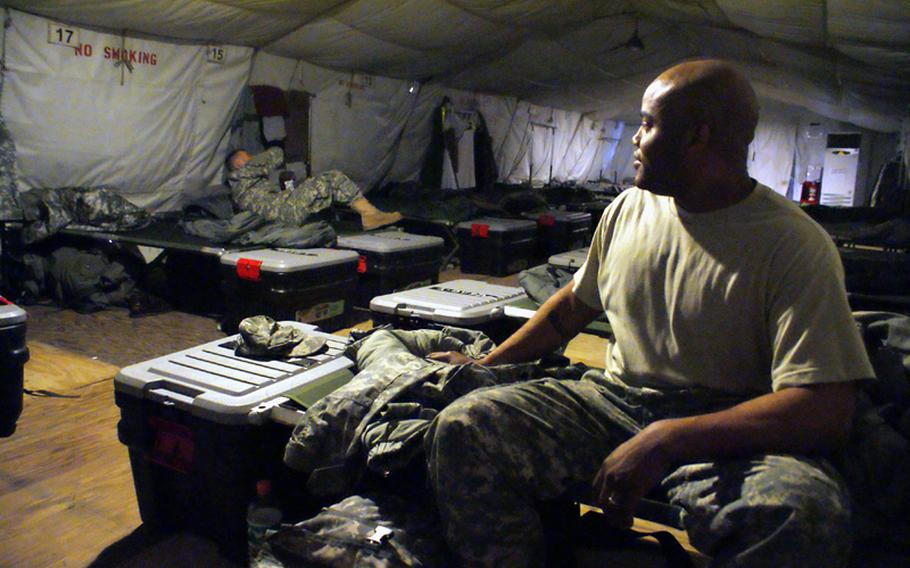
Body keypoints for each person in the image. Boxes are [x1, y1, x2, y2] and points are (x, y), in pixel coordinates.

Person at [426, 59, 875, 567]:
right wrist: (487, 366)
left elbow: (826, 408)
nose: (635, 140)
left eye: (647, 123)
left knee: (802, 514)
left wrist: (668, 438)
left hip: (726, 425)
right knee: (464, 427)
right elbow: (572, 306)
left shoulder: (792, 244)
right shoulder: (628, 209)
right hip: (613, 403)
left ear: (696, 138)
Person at [226, 146, 402, 230]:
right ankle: (369, 214)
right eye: (248, 157)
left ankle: (368, 214)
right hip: (282, 212)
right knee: (332, 177)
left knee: (322, 189)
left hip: (278, 212)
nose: (252, 159)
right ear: (239, 164)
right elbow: (277, 153)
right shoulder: (243, 175)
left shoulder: (244, 186)